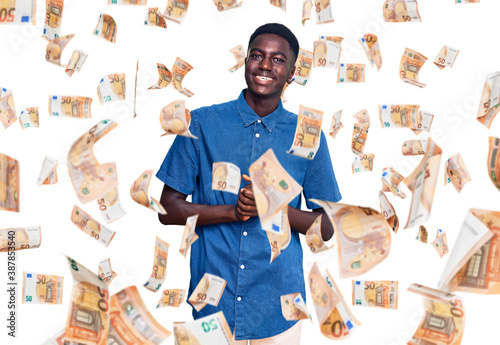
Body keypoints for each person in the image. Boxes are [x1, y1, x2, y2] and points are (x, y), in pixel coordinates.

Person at [156, 23, 342, 345]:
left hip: (278, 309)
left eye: (278, 59)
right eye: (257, 55)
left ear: (292, 72)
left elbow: (327, 226)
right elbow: (166, 208)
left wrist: (271, 208)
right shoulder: (201, 124)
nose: (266, 65)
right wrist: (232, 211)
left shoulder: (307, 137)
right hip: (213, 306)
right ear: (246, 63)